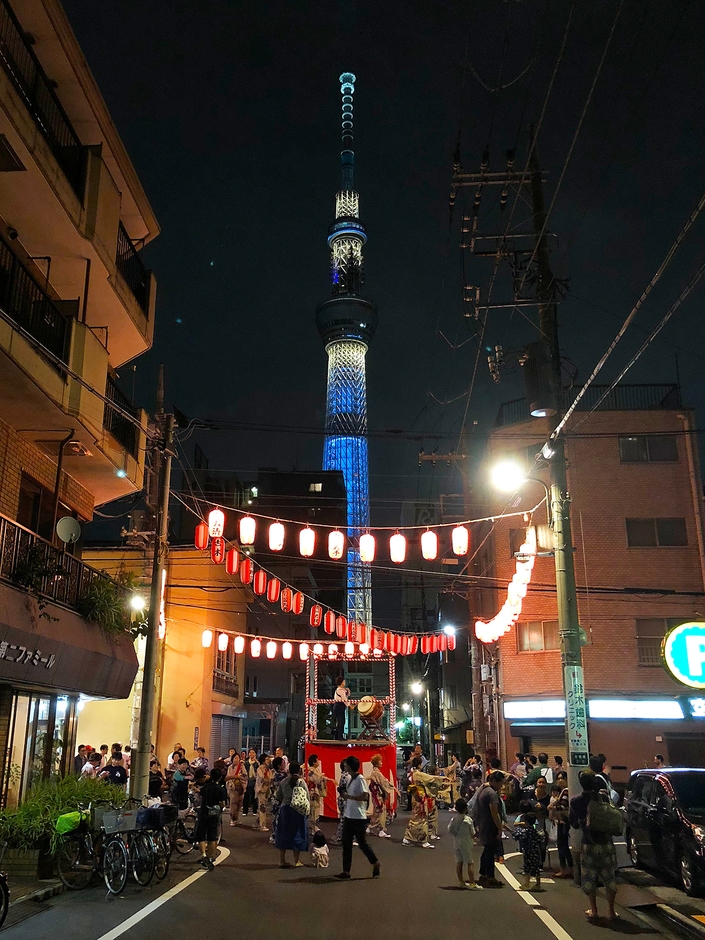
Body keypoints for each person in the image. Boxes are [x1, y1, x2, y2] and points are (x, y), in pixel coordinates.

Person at [570, 771, 618, 924]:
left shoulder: (576, 801)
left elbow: (575, 824)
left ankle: (594, 910)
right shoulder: (603, 797)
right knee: (609, 877)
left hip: (589, 845)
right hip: (606, 843)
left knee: (590, 877)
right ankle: (611, 911)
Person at [335, 754, 380, 879]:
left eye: (346, 764)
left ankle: (375, 862)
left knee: (362, 843)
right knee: (346, 843)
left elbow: (365, 796)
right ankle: (346, 871)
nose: (344, 765)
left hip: (358, 817)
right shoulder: (350, 778)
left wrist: (350, 797)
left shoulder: (360, 779)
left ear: (349, 765)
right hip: (349, 815)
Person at [403, 757, 450, 849]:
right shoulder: (419, 774)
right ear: (420, 764)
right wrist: (442, 778)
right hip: (420, 799)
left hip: (415, 797)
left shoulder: (412, 774)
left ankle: (407, 838)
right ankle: (423, 841)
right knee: (422, 819)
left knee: (415, 819)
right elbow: (431, 779)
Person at [275, 761, 308, 868]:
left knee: (283, 833)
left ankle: (281, 860)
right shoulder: (301, 782)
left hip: (285, 809)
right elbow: (306, 796)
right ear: (299, 770)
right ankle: (296, 861)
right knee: (297, 833)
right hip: (298, 810)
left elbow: (278, 795)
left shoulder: (284, 781)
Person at [476, 771, 505, 888]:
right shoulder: (492, 794)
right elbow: (494, 813)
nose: (501, 786)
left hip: (483, 823)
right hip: (490, 825)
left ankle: (483, 874)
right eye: (500, 783)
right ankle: (490, 876)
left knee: (487, 850)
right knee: (490, 851)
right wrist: (499, 827)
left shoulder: (483, 790)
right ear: (494, 781)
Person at [196, 766, 226, 871]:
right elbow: (222, 803)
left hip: (203, 812)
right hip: (214, 814)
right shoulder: (221, 789)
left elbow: (200, 795)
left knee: (201, 835)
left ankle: (203, 855)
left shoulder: (205, 787)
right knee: (212, 836)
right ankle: (210, 857)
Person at [448, 798, 481, 889]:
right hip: (466, 843)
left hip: (457, 842)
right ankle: (472, 883)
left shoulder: (453, 819)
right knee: (470, 862)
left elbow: (450, 830)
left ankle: (461, 881)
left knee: (459, 862)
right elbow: (472, 833)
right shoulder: (468, 820)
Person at [513, 800, 544, 891]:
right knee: (536, 868)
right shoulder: (534, 831)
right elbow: (540, 838)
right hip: (536, 851)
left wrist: (509, 830)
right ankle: (538, 884)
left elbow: (516, 836)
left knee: (527, 868)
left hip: (528, 852)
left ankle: (527, 883)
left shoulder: (525, 832)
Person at [368, 753, 396, 838]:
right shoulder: (377, 773)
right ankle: (380, 829)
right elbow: (383, 783)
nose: (381, 763)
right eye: (380, 761)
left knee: (377, 812)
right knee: (380, 812)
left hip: (377, 795)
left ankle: (371, 827)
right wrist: (392, 787)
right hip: (378, 795)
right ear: (377, 763)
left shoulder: (375, 772)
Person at [549, 782, 573, 879]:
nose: (560, 780)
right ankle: (568, 869)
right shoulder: (565, 791)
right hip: (563, 821)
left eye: (561, 778)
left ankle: (564, 869)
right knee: (563, 846)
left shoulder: (566, 791)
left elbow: (563, 806)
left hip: (563, 821)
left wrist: (552, 807)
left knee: (562, 846)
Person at [306, 754, 328, 835]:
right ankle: (313, 827)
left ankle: (314, 827)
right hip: (313, 792)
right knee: (314, 810)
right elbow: (317, 780)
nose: (318, 762)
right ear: (314, 762)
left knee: (315, 809)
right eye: (317, 760)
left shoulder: (315, 770)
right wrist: (323, 777)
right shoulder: (311, 771)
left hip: (315, 792)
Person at [269, 756, 288, 845]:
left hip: (274, 797)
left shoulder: (273, 774)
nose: (284, 765)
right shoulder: (282, 775)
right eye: (283, 763)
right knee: (280, 817)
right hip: (281, 798)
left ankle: (274, 835)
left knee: (275, 816)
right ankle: (277, 836)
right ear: (279, 765)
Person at [225, 750, 246, 825]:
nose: (236, 759)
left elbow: (245, 776)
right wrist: (235, 776)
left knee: (239, 804)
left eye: (238, 758)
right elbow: (227, 777)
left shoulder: (242, 766)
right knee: (233, 803)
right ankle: (232, 819)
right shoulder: (230, 767)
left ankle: (236, 818)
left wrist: (242, 779)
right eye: (235, 758)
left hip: (241, 787)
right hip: (233, 787)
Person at [335, 759, 351, 843]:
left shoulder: (343, 775)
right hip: (345, 799)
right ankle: (339, 836)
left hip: (342, 798)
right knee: (344, 818)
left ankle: (342, 836)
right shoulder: (347, 776)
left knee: (344, 818)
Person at [255, 753, 273, 831]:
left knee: (262, 806)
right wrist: (268, 780)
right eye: (266, 759)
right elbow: (261, 778)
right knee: (262, 807)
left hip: (266, 790)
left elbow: (271, 778)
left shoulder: (268, 769)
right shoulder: (260, 769)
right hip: (261, 790)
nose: (268, 760)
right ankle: (262, 825)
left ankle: (258, 822)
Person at [243, 748, 259, 816]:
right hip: (247, 780)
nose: (251, 754)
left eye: (253, 752)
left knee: (254, 796)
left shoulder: (257, 763)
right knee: (246, 796)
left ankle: (254, 810)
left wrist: (257, 762)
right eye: (250, 752)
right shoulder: (246, 763)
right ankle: (245, 811)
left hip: (254, 780)